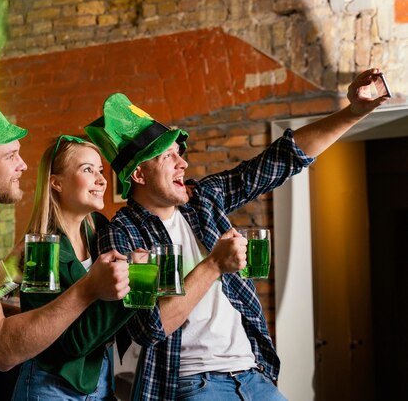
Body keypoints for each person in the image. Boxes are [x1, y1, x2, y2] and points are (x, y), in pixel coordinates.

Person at [85, 68, 387, 401]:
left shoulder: (203, 201)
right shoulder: (123, 234)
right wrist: (213, 265)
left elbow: (282, 159)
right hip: (189, 383)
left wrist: (353, 113)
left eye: (179, 153)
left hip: (254, 374)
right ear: (139, 174)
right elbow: (149, 328)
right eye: (167, 156)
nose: (182, 164)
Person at [0, 97, 131, 400]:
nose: (23, 166)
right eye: (11, 155)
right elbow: (2, 349)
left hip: (95, 382)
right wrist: (100, 289)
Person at [11, 135, 139, 401]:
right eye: (87, 170)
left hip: (100, 379)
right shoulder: (40, 250)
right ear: (56, 183)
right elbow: (71, 342)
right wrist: (135, 281)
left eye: (101, 171)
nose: (102, 180)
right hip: (51, 385)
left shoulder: (100, 229)